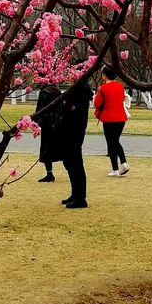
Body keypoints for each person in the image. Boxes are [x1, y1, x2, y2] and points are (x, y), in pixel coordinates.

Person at [55, 80, 93, 209]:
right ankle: (76, 194)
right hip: (72, 132)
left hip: (73, 133)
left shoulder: (80, 93)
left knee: (75, 164)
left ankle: (80, 198)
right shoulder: (79, 91)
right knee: (71, 163)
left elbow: (71, 113)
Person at [94, 65, 130, 176]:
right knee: (115, 141)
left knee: (111, 142)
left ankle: (118, 167)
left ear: (104, 75)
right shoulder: (120, 86)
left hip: (108, 118)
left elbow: (97, 103)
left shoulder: (103, 88)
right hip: (121, 117)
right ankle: (120, 165)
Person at [34, 84, 62, 182]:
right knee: (60, 147)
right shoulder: (57, 90)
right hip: (57, 122)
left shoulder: (44, 92)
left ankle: (49, 173)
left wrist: (37, 123)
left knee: (46, 148)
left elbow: (41, 109)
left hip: (47, 123)